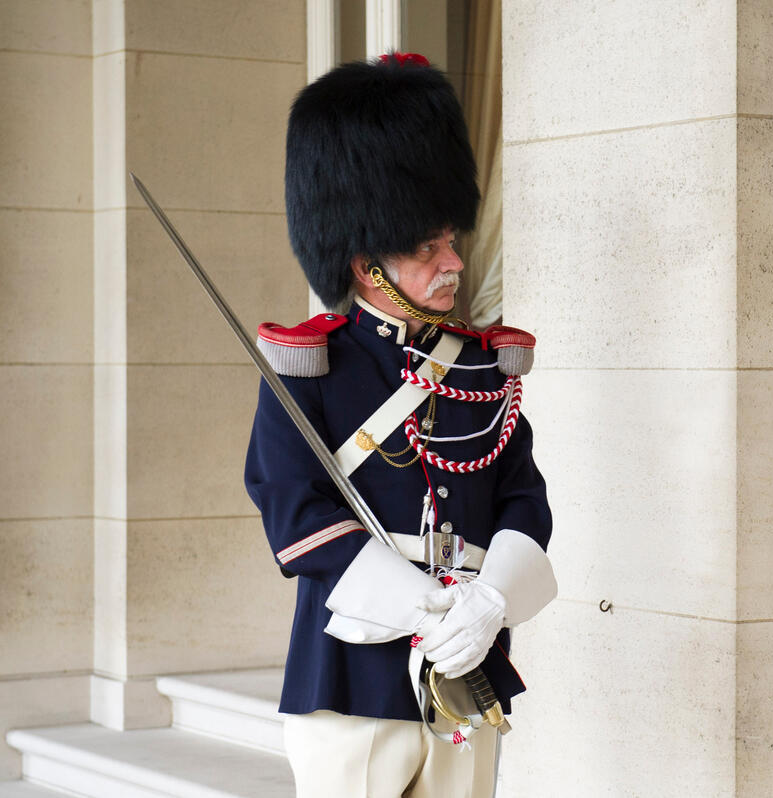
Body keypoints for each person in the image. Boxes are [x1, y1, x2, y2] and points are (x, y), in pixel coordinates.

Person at [244, 52, 556, 798]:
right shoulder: (308, 366)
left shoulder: (481, 365)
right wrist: (424, 608)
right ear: (366, 265)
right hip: (350, 671)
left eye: (451, 240)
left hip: (468, 662)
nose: (453, 262)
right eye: (427, 248)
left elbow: (523, 497)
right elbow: (294, 514)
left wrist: (489, 604)